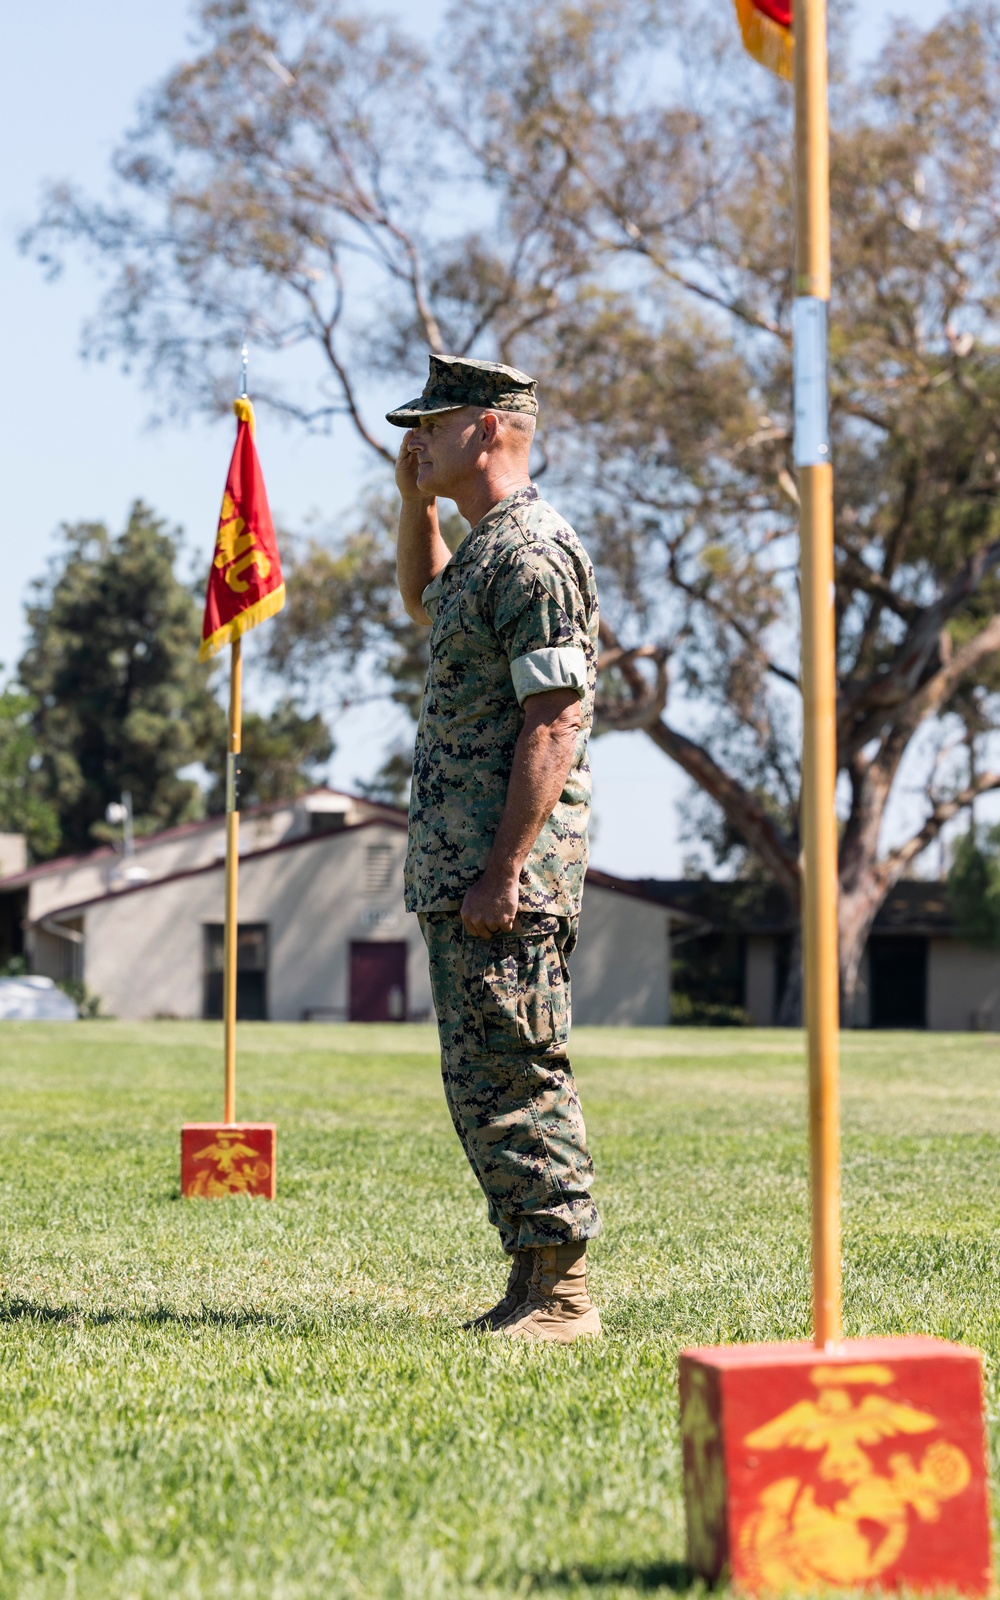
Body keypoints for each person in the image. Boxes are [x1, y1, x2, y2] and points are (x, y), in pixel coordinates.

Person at [389, 353, 602, 1343]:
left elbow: (554, 718)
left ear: (482, 428)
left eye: (428, 425)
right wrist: (416, 507)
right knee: (480, 1078)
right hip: (467, 869)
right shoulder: (482, 549)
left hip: (503, 873)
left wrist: (505, 867)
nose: (412, 441)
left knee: (516, 1066)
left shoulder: (532, 549)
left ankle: (563, 1296)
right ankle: (529, 1282)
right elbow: (428, 606)